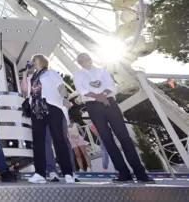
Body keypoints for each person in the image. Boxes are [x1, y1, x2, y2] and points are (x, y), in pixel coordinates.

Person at [73, 53, 154, 183]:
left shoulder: (102, 71)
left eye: (87, 59)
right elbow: (81, 90)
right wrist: (98, 96)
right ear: (79, 63)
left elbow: (110, 85)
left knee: (124, 137)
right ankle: (123, 173)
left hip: (109, 103)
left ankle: (140, 173)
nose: (85, 61)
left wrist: (103, 96)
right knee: (107, 139)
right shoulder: (78, 75)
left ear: (91, 59)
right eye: (81, 60)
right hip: (93, 106)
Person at [21, 54, 74, 184]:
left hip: (52, 106)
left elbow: (60, 86)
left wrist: (65, 98)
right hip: (36, 109)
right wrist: (24, 74)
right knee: (38, 142)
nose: (33, 61)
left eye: (35, 59)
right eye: (32, 60)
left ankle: (68, 172)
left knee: (59, 139)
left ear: (42, 61)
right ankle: (40, 173)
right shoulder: (31, 77)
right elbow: (24, 91)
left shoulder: (51, 73)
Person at [45, 98, 79, 182]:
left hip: (58, 109)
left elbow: (61, 91)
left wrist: (64, 99)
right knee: (46, 141)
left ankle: (71, 170)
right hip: (42, 111)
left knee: (63, 140)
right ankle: (51, 170)